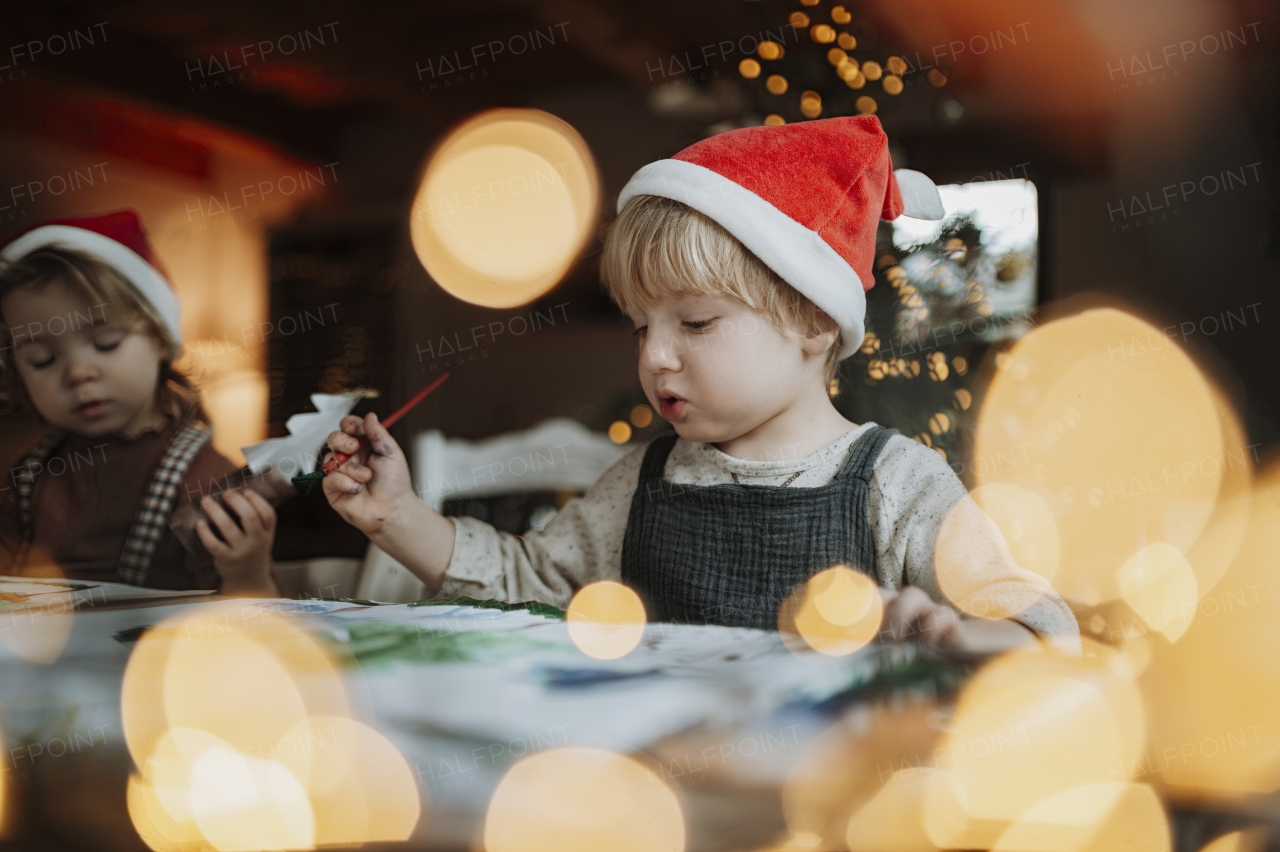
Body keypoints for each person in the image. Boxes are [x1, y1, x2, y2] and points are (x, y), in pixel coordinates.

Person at [323, 116, 1079, 653]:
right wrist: (393, 515)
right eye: (640, 327)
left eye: (695, 324)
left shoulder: (899, 484)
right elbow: (524, 578)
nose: (654, 358)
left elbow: (1040, 624)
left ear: (814, 322)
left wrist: (962, 633)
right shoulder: (642, 481)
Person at [0, 211, 277, 596]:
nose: (78, 373)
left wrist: (247, 574)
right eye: (42, 359)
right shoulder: (28, 479)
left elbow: (258, 627)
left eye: (107, 343)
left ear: (161, 339)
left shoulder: (206, 479)